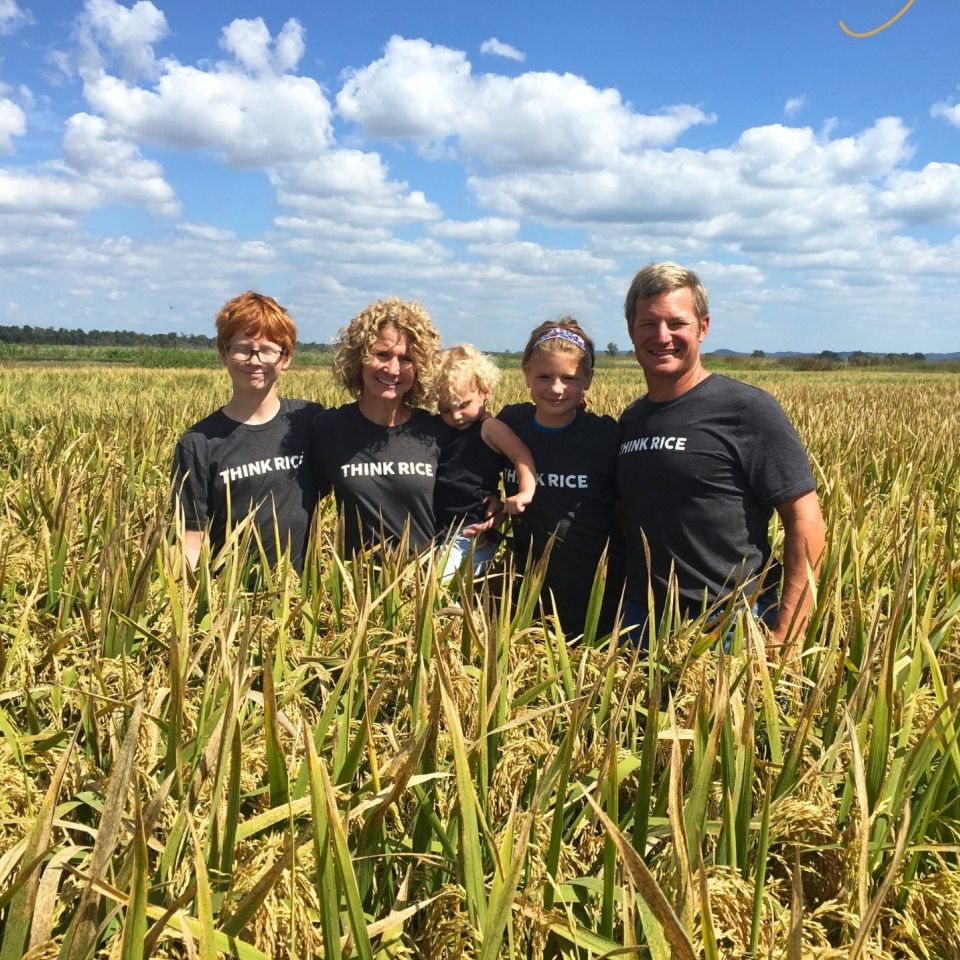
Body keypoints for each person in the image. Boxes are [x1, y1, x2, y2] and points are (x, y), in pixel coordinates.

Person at [617, 262, 825, 650]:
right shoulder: (632, 419)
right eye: (648, 324)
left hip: (728, 624)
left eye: (677, 323)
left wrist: (789, 633)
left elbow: (805, 518)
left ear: (703, 327)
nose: (662, 336)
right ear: (631, 330)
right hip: (641, 621)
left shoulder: (746, 409)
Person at [172, 291, 322, 573]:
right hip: (230, 602)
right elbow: (191, 535)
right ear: (223, 354)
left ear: (286, 358)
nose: (254, 361)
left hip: (299, 599)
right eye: (242, 349)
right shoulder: (198, 444)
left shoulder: (309, 421)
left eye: (268, 350)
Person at [497, 318, 625, 641]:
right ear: (525, 373)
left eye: (569, 378)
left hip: (593, 598)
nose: (556, 389)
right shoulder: (511, 423)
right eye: (544, 376)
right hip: (526, 595)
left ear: (588, 379)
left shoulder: (604, 436)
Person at [307, 298, 449, 556]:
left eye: (406, 359)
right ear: (359, 357)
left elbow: (466, 494)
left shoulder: (436, 431)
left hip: (424, 586)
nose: (393, 369)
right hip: (355, 586)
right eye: (381, 354)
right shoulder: (328, 428)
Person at [433, 344, 537, 581]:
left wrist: (525, 493)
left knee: (441, 587)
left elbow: (521, 456)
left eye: (463, 405)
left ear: (485, 391)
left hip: (472, 532)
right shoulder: (442, 428)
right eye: (445, 409)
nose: (455, 415)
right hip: (440, 530)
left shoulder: (490, 428)